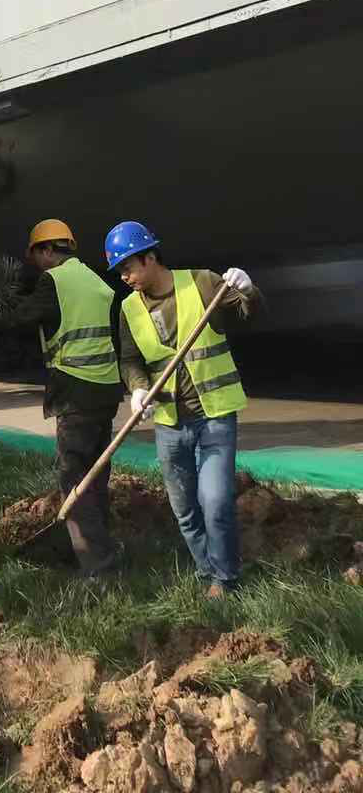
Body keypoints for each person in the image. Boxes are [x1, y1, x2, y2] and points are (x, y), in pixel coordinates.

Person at [105, 220, 261, 599]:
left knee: (216, 501)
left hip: (214, 417)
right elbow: (129, 360)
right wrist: (139, 390)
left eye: (128, 266)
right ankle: (208, 569)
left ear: (151, 256)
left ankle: (224, 581)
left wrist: (248, 289)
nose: (124, 276)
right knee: (185, 510)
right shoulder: (128, 308)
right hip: (169, 423)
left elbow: (249, 312)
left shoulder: (203, 282)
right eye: (119, 270)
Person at [10, 219, 124, 577]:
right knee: (95, 477)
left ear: (47, 250)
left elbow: (20, 317)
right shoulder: (94, 279)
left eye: (35, 256)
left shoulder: (54, 281)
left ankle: (98, 568)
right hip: (106, 389)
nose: (35, 265)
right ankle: (102, 545)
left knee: (74, 481)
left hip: (76, 390)